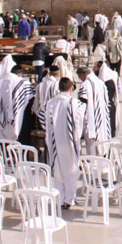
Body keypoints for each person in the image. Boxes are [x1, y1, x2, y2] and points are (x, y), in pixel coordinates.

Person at [41, 78, 84, 209]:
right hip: (70, 142)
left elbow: (43, 120)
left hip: (56, 142)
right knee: (71, 170)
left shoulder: (50, 103)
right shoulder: (75, 103)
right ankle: (69, 199)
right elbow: (80, 121)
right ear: (71, 89)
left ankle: (60, 198)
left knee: (58, 170)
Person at [0, 65, 34, 143]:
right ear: (19, 74)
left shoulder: (1, 82)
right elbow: (30, 97)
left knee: (6, 142)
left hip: (4, 118)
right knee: (22, 141)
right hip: (21, 116)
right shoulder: (23, 82)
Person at [76, 66, 110, 155]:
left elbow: (82, 102)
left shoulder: (86, 84)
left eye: (80, 77)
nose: (80, 79)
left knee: (92, 145)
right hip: (102, 117)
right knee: (101, 141)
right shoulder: (100, 82)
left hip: (91, 118)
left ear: (83, 75)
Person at [95, 61, 121, 137]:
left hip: (106, 106)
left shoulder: (102, 82)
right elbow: (119, 89)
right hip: (113, 104)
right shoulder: (114, 76)